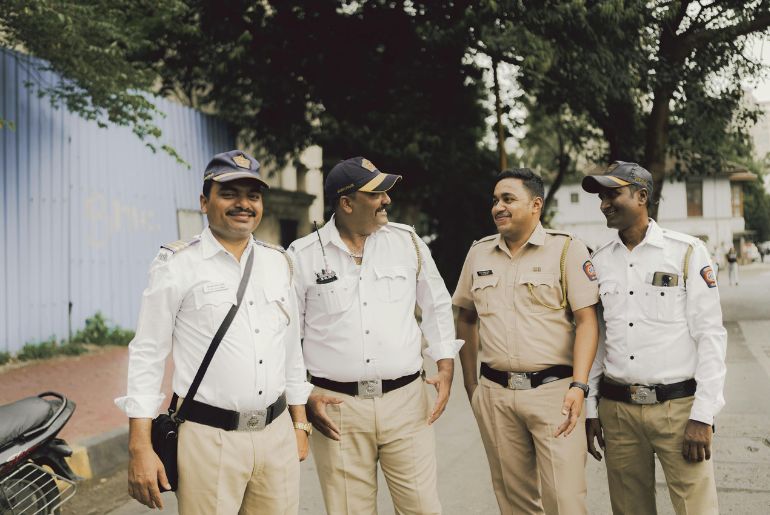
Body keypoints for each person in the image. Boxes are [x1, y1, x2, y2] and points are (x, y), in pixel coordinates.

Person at [115, 150, 313, 514]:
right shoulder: (177, 265)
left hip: (276, 434)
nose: (244, 204)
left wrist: (300, 424)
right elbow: (148, 354)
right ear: (205, 202)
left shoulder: (279, 262)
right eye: (229, 193)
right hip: (209, 439)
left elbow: (291, 352)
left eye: (253, 195)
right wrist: (140, 447)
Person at [288, 156, 462, 514]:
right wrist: (303, 397)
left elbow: (437, 305)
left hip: (405, 403)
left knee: (423, 508)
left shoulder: (406, 242)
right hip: (337, 409)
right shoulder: (301, 256)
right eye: (377, 193)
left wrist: (445, 364)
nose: (387, 200)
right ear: (346, 203)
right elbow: (287, 335)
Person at [582, 161, 727, 515]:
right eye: (601, 197)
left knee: (697, 509)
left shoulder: (686, 252)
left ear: (641, 196)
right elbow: (598, 341)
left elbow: (710, 335)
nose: (604, 204)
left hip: (678, 411)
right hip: (617, 413)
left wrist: (703, 415)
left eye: (613, 194)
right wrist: (591, 409)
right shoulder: (599, 262)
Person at [452, 168, 599, 515]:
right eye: (495, 200)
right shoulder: (479, 253)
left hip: (555, 395)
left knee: (564, 501)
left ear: (536, 205)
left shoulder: (567, 250)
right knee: (514, 502)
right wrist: (472, 384)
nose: (498, 207)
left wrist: (579, 385)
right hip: (496, 395)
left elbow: (587, 322)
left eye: (507, 199)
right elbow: (466, 318)